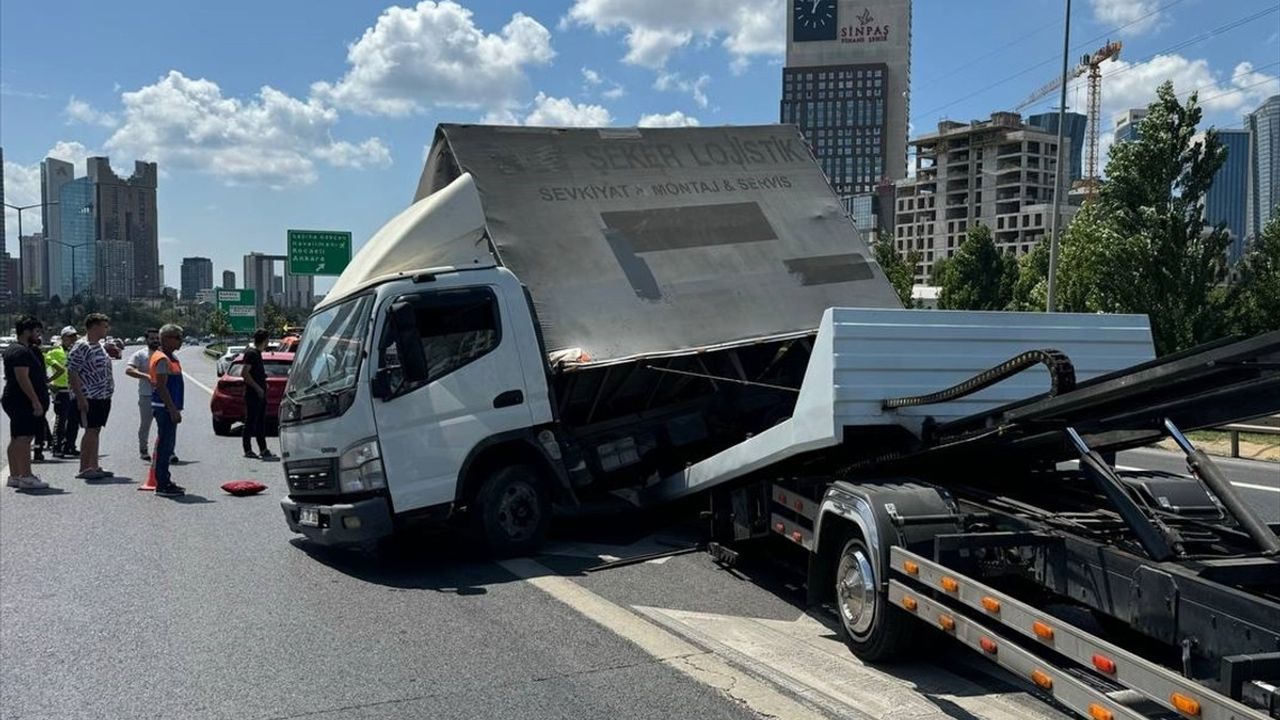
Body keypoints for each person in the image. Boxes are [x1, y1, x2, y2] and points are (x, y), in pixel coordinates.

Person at [3, 316, 50, 490]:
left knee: (17, 437)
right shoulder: (20, 352)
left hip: (17, 399)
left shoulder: (23, 349)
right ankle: (26, 476)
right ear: (26, 332)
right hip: (21, 400)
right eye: (36, 331)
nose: (38, 335)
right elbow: (23, 378)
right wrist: (35, 401)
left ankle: (15, 475)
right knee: (24, 438)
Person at [67, 313, 116, 481]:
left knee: (95, 430)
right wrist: (80, 398)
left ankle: (94, 466)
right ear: (94, 327)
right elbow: (72, 372)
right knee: (90, 430)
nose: (106, 329)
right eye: (104, 326)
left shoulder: (99, 345)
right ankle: (84, 468)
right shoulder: (82, 346)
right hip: (89, 396)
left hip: (102, 396)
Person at [125, 329, 177, 462]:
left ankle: (169, 452)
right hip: (147, 395)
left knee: (167, 426)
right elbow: (129, 369)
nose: (155, 340)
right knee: (145, 424)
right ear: (146, 339)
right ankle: (143, 450)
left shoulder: (166, 356)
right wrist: (147, 376)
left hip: (163, 397)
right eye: (152, 338)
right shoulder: (140, 355)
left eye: (156, 338)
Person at [149, 324, 186, 497]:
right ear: (167, 338)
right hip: (165, 408)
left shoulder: (171, 357)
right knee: (165, 446)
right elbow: (162, 387)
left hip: (167, 407)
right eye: (177, 337)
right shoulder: (162, 359)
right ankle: (162, 484)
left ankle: (165, 480)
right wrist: (172, 410)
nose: (181, 340)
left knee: (168, 445)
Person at [240, 328, 276, 460]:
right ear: (265, 340)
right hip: (253, 394)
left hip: (260, 393)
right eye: (268, 340)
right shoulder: (251, 354)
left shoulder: (258, 354)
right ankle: (248, 449)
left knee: (261, 421)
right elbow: (244, 373)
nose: (268, 343)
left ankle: (263, 449)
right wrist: (257, 388)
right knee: (250, 421)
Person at [46, 326, 81, 459]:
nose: (72, 339)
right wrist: (48, 382)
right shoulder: (55, 352)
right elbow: (42, 367)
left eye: (74, 336)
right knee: (61, 419)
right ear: (63, 338)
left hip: (75, 389)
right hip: (62, 390)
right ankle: (57, 447)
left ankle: (69, 446)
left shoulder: (78, 351)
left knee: (74, 420)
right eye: (70, 336)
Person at [28, 327, 54, 463]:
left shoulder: (31, 353)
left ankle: (38, 449)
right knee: (39, 422)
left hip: (37, 391)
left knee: (37, 423)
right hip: (39, 392)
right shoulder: (36, 353)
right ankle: (38, 450)